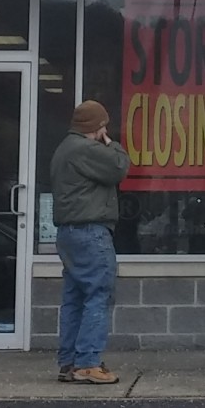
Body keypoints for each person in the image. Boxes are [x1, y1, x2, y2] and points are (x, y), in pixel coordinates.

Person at [50, 98, 129, 383]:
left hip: (69, 234)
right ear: (97, 126)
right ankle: (88, 363)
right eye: (103, 126)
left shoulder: (64, 149)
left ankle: (69, 362)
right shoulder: (85, 149)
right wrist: (111, 143)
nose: (104, 132)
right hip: (90, 232)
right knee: (98, 295)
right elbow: (120, 167)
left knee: (74, 298)